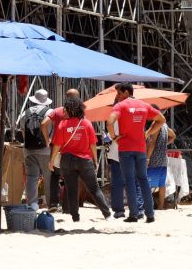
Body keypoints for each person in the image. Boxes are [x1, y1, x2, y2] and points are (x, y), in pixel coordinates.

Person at [107, 82, 166, 223]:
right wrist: (148, 132)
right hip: (140, 148)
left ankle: (134, 214)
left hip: (125, 148)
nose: (118, 96)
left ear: (127, 92)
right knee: (143, 180)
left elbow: (109, 122)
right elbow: (161, 120)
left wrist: (114, 137)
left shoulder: (120, 106)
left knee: (129, 181)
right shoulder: (144, 105)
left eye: (119, 93)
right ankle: (150, 214)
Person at [49, 97, 112, 222]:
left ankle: (75, 217)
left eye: (66, 109)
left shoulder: (62, 124)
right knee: (94, 189)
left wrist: (52, 161)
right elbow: (93, 144)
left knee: (71, 190)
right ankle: (107, 214)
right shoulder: (86, 123)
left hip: (67, 160)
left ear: (71, 109)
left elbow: (57, 145)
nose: (64, 111)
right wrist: (95, 160)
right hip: (84, 160)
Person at [41, 88, 80, 212]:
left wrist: (47, 140)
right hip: (73, 148)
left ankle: (53, 203)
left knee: (55, 176)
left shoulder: (57, 111)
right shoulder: (80, 113)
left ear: (66, 98)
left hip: (57, 147)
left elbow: (43, 124)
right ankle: (67, 207)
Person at [16, 89, 52, 210]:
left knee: (31, 177)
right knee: (48, 176)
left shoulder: (24, 113)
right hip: (46, 150)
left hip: (28, 149)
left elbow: (22, 131)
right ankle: (49, 202)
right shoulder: (50, 112)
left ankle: (32, 204)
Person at [146, 105, 176, 210]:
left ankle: (148, 205)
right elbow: (173, 136)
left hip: (155, 158)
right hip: (163, 158)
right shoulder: (164, 125)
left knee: (148, 182)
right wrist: (164, 144)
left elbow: (152, 143)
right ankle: (161, 206)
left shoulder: (156, 124)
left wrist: (147, 158)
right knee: (161, 183)